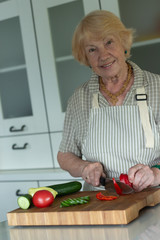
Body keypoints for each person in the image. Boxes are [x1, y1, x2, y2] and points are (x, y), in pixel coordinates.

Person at [57, 10, 160, 192]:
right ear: (86, 57)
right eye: (92, 49)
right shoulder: (79, 98)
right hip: (100, 202)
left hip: (152, 199)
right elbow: (65, 155)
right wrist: (84, 168)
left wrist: (155, 174)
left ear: (124, 43)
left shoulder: (157, 87)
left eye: (109, 42)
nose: (103, 55)